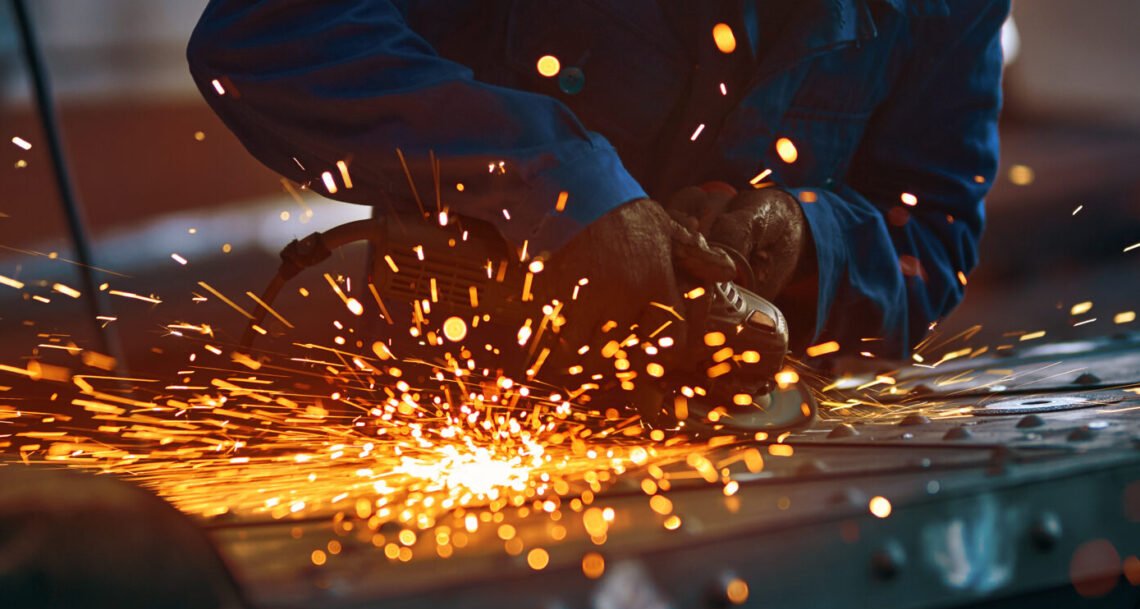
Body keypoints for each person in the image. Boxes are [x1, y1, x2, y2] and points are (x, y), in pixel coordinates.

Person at [187, 0, 1009, 364]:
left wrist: (807, 240)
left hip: (768, 461)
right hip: (462, 420)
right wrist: (551, 182)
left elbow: (929, 234)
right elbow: (268, 34)